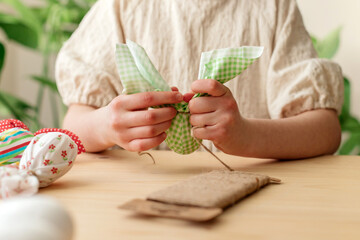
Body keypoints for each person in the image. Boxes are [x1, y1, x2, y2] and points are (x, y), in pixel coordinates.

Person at [55, 0, 343, 159]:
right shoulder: (120, 8)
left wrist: (246, 136)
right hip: (141, 202)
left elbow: (326, 131)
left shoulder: (273, 9)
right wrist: (105, 127)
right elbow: (74, 125)